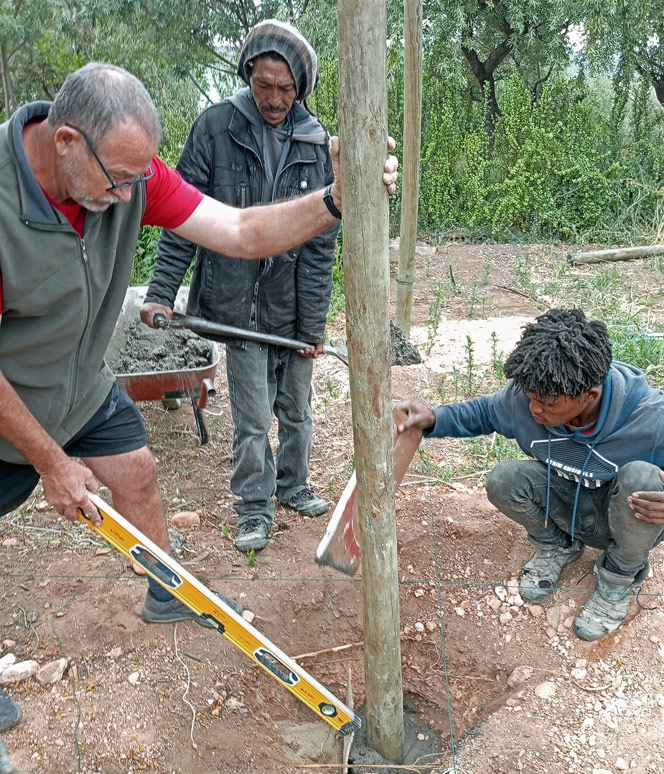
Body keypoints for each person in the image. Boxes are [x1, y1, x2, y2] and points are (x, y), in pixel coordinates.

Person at [0, 62, 396, 628]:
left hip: (78, 384)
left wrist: (335, 199)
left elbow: (239, 231)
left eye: (138, 178)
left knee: (136, 471)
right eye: (118, 179)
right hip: (10, 400)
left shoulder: (128, 175)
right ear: (65, 141)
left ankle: (167, 594)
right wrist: (51, 461)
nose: (128, 195)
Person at [396, 308, 664, 641]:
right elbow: (484, 412)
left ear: (589, 395)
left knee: (640, 478)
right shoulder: (530, 397)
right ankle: (558, 545)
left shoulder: (657, 422)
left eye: (548, 404)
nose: (534, 410)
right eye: (530, 398)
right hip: (566, 502)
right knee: (503, 479)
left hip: (624, 518)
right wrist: (435, 418)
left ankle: (618, 579)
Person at [142, 21, 338, 555]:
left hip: (291, 304)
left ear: (301, 87)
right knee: (252, 419)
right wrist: (161, 292)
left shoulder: (316, 142)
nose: (273, 99)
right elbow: (182, 218)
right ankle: (254, 506)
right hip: (237, 307)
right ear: (247, 74)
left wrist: (312, 327)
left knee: (296, 410)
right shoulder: (215, 128)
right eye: (263, 85)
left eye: (285, 88)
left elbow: (320, 247)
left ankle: (293, 485)